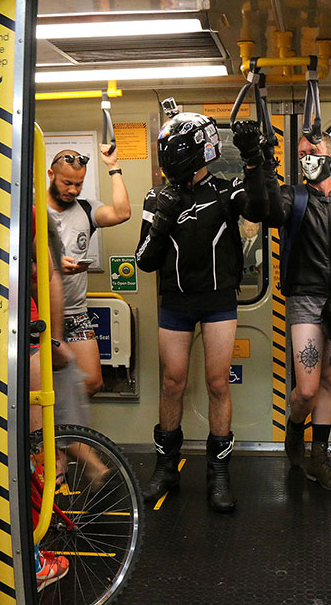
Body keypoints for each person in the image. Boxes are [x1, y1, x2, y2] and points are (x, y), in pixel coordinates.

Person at [135, 113, 271, 512]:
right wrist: (162, 219)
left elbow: (261, 209)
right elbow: (145, 260)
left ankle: (219, 474)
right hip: (176, 302)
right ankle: (166, 467)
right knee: (172, 383)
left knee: (217, 384)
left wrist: (253, 161)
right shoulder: (155, 198)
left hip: (217, 303)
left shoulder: (227, 193)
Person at [264, 132, 331, 491]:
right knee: (307, 390)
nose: (307, 158)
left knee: (329, 381)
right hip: (306, 298)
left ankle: (320, 457)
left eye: (312, 152)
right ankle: (296, 427)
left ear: (330, 154)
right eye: (301, 154)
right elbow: (266, 210)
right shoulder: (291, 198)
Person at [47, 144, 131, 397]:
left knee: (93, 382)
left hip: (76, 312)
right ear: (51, 175)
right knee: (38, 385)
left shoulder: (86, 209)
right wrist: (52, 267)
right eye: (66, 183)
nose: (73, 190)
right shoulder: (31, 209)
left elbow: (122, 213)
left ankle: (64, 428)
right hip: (41, 314)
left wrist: (113, 167)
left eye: (78, 184)